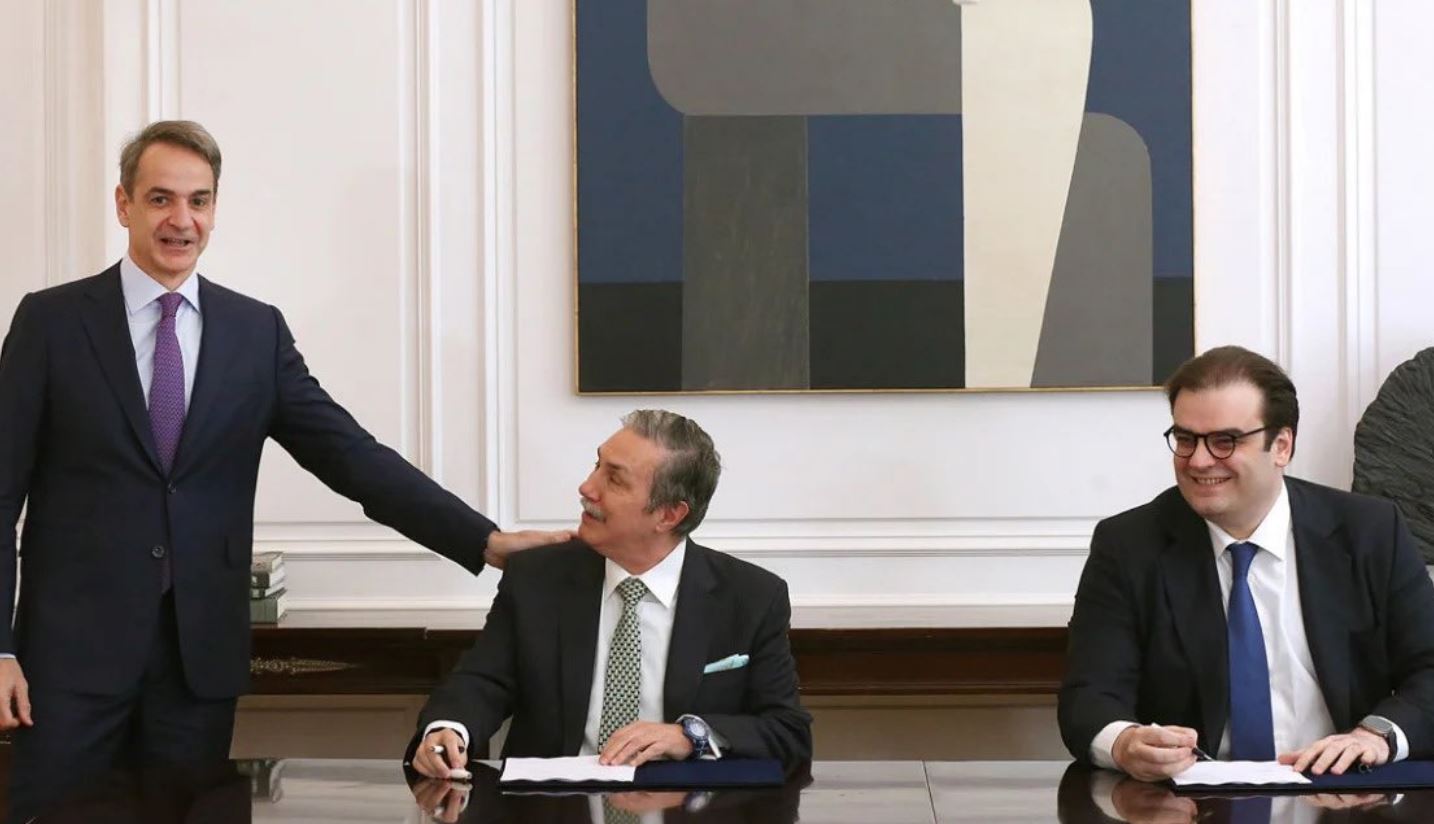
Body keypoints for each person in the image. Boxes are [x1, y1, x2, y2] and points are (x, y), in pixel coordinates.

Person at [0, 120, 567, 822]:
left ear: (215, 209)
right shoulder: (52, 323)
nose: (182, 220)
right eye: (160, 199)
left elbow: (350, 456)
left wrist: (485, 541)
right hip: (66, 664)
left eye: (199, 201)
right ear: (124, 204)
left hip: (196, 666)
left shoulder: (255, 332)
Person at [1059, 345, 1434, 783]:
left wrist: (1377, 735)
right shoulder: (1128, 545)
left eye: (1225, 441)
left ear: (1281, 446)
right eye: (1186, 439)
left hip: (1342, 790)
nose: (1198, 460)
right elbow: (1089, 696)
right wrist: (1124, 743)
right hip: (1192, 800)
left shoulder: (1369, 531)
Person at [408, 409, 812, 781]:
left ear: (669, 514)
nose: (587, 487)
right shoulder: (538, 576)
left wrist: (690, 736)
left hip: (683, 808)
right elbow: (482, 680)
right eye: (597, 465)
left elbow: (787, 733)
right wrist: (449, 728)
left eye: (614, 479)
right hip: (550, 807)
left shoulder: (751, 597)